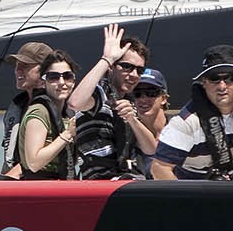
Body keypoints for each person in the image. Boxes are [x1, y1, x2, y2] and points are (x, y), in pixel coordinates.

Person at [153, 44, 233, 181]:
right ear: (204, 82)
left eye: (230, 78)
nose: (222, 86)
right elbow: (160, 167)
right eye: (214, 78)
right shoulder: (187, 121)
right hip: (194, 189)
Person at [67, 24, 151, 179]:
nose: (134, 75)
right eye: (127, 67)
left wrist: (133, 120)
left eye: (140, 70)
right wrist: (106, 58)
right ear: (111, 67)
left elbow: (151, 149)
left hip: (130, 183)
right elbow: (75, 103)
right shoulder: (99, 95)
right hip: (102, 189)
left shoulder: (129, 102)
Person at [17, 51, 80, 180]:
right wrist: (67, 134)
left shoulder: (68, 114)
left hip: (63, 185)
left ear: (73, 80)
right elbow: (34, 163)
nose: (62, 82)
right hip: (40, 188)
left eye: (67, 76)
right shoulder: (39, 112)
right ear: (42, 82)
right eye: (53, 77)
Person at [0, 41, 52, 177]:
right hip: (17, 181)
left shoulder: (53, 106)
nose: (18, 70)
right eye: (17, 66)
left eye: (25, 66)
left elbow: (39, 157)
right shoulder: (19, 104)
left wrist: (5, 181)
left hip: (41, 185)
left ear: (45, 70)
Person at [120, 68, 170, 177]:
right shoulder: (125, 135)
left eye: (151, 93)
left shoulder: (180, 131)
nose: (143, 99)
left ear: (163, 99)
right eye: (137, 94)